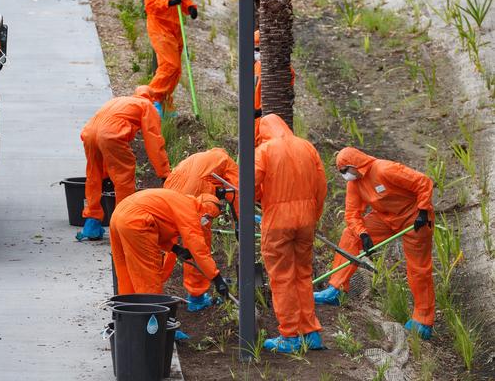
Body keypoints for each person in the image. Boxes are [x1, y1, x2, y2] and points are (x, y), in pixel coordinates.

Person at [314, 147, 435, 339]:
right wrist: (363, 234)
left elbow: (423, 182)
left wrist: (422, 211)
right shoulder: (355, 183)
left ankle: (423, 320)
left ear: (355, 164)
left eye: (345, 170)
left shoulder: (385, 169)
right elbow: (352, 214)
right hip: (385, 219)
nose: (344, 175)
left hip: (414, 218)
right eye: (341, 172)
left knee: (418, 269)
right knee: (350, 235)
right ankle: (336, 289)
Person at [255, 114, 327, 353]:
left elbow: (251, 186)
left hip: (277, 223)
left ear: (263, 132)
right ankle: (310, 332)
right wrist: (312, 216)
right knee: (303, 274)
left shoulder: (265, 150)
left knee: (282, 277)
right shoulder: (307, 147)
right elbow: (321, 186)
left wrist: (260, 202)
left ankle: (290, 336)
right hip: (306, 221)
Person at [76, 86, 171, 241]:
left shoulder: (120, 101)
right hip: (110, 135)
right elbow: (154, 142)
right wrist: (164, 173)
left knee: (94, 175)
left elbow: (101, 129)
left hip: (89, 133)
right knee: (123, 179)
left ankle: (91, 223)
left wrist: (107, 171)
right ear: (151, 99)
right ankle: (121, 226)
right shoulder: (147, 106)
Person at [110, 188, 229, 300]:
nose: (207, 222)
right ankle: (150, 313)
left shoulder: (184, 202)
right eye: (209, 219)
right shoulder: (191, 213)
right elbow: (199, 249)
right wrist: (216, 278)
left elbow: (157, 224)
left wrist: (175, 248)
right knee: (148, 275)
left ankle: (127, 308)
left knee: (124, 268)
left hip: (119, 214)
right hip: (134, 220)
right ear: (205, 213)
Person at [162, 148, 239, 312]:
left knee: (167, 238)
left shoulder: (195, 158)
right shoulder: (226, 161)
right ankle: (196, 298)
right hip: (196, 197)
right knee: (197, 244)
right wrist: (240, 222)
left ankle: (156, 284)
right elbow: (237, 193)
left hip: (169, 192)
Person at [144, 0, 197, 117]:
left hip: (176, 27)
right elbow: (150, 4)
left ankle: (164, 102)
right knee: (169, 65)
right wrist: (168, 2)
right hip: (159, 26)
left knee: (176, 70)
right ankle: (150, 99)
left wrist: (190, 8)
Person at [253, 30, 295, 134]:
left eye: (259, 49)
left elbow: (281, 95)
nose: (257, 53)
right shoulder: (257, 66)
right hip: (256, 120)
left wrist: (261, 111)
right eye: (255, 49)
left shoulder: (282, 69)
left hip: (270, 119)